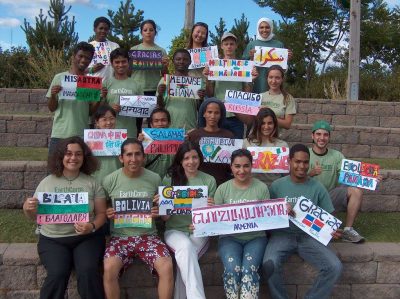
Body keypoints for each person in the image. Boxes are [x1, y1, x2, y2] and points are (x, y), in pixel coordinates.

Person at [23, 136, 107, 299]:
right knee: (57, 273)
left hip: (86, 238)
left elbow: (102, 214)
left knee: (88, 271)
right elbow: (35, 215)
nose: (73, 158)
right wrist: (28, 208)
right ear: (61, 156)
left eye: (78, 154)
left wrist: (92, 226)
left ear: (84, 157)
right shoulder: (47, 182)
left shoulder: (92, 182)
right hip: (53, 239)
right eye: (68, 154)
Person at [263, 144, 342, 299]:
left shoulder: (317, 187)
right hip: (282, 235)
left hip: (309, 237)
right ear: (289, 161)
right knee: (268, 264)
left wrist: (332, 229)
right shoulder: (277, 186)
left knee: (335, 267)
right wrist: (279, 209)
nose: (302, 166)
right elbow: (266, 215)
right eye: (297, 161)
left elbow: (330, 216)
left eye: (305, 162)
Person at [102, 138, 173, 299]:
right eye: (129, 155)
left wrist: (158, 211)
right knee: (109, 268)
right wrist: (107, 211)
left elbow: (164, 205)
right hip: (120, 237)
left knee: (167, 266)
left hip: (148, 236)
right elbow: (101, 205)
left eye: (137, 154)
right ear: (121, 158)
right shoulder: (110, 180)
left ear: (143, 157)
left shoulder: (154, 178)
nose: (133, 159)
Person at [162, 141, 217, 299]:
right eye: (186, 158)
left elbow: (212, 218)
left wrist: (210, 209)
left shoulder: (209, 180)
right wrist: (165, 204)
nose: (191, 162)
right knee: (185, 249)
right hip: (174, 230)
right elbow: (165, 218)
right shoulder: (169, 179)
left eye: (194, 157)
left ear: (200, 159)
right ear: (180, 160)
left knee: (185, 257)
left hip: (200, 231)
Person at [214, 149, 270, 299]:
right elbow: (213, 220)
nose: (241, 170)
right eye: (237, 166)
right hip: (229, 238)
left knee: (249, 269)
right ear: (231, 167)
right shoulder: (222, 189)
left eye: (246, 166)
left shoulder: (262, 188)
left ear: (252, 166)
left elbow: (268, 217)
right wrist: (200, 225)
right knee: (232, 269)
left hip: (256, 237)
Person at [308, 120, 366, 243]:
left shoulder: (337, 156)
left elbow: (349, 176)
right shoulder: (305, 154)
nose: (322, 138)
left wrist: (369, 179)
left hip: (329, 198)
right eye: (318, 134)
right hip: (308, 201)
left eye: (325, 135)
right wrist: (310, 173)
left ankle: (348, 230)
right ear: (312, 136)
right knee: (320, 236)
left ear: (329, 137)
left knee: (356, 191)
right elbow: (294, 179)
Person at [47, 42, 102, 155]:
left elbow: (90, 112)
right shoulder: (59, 77)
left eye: (87, 58)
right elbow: (51, 108)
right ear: (73, 56)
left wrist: (99, 99)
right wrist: (53, 95)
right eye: (80, 56)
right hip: (60, 133)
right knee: (54, 170)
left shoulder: (90, 82)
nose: (83, 60)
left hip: (81, 134)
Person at [203, 32, 255, 139]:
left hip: (236, 116)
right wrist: (207, 79)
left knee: (236, 150)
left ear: (236, 46)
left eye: (231, 44)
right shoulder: (215, 66)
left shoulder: (243, 66)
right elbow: (210, 93)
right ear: (221, 46)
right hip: (218, 115)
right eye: (226, 44)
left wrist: (250, 80)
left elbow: (247, 94)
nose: (229, 46)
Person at [131, 19, 169, 134]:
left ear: (155, 32)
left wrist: (164, 65)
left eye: (151, 30)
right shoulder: (134, 50)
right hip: (137, 89)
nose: (148, 32)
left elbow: (165, 74)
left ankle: (153, 149)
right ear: (141, 32)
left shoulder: (161, 51)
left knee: (153, 122)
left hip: (154, 90)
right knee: (136, 122)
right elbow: (128, 71)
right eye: (145, 30)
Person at [188, 98, 234, 186]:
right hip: (199, 183)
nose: (212, 116)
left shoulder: (229, 136)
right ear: (204, 114)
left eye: (216, 113)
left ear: (221, 115)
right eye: (209, 112)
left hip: (223, 183)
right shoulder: (193, 135)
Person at [157, 48, 205, 130]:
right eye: (178, 59)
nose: (181, 62)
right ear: (173, 61)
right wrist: (160, 95)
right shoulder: (165, 80)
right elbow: (160, 106)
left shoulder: (197, 83)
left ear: (190, 62)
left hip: (190, 128)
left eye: (185, 59)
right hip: (169, 129)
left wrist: (201, 99)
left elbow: (200, 109)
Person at [243, 17, 292, 94]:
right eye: (261, 27)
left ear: (271, 28)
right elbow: (243, 67)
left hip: (274, 87)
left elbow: (283, 70)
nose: (264, 30)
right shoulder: (251, 44)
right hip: (255, 86)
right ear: (258, 28)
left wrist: (287, 59)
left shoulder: (279, 44)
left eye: (267, 27)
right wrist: (251, 59)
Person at [103, 48, 144, 138]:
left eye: (124, 61)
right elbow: (99, 109)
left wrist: (129, 108)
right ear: (112, 64)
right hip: (109, 134)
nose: (120, 65)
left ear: (128, 62)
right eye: (117, 62)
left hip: (130, 133)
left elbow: (143, 109)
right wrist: (110, 109)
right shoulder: (105, 83)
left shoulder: (137, 84)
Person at [244, 108, 289, 186]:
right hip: (252, 187)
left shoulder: (282, 146)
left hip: (274, 187)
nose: (266, 126)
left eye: (270, 123)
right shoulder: (246, 143)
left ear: (274, 124)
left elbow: (286, 174)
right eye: (263, 123)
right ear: (257, 124)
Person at [138, 107, 174, 178]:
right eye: (156, 121)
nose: (160, 124)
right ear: (151, 124)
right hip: (150, 182)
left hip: (170, 183)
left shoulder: (177, 141)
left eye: (163, 120)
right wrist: (139, 145)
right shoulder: (144, 142)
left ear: (169, 123)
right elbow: (139, 165)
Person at [259, 65, 296, 130]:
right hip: (259, 137)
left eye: (277, 78)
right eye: (271, 77)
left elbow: (287, 125)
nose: (273, 81)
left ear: (282, 79)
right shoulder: (259, 96)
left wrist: (269, 115)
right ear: (267, 78)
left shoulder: (288, 98)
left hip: (277, 138)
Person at [91, 104, 121, 184]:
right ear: (97, 122)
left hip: (117, 181)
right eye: (104, 119)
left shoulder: (122, 139)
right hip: (95, 181)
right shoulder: (88, 139)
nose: (108, 122)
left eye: (112, 119)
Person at [88, 16, 120, 81]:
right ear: (94, 29)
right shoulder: (88, 46)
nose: (103, 31)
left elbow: (120, 65)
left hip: (111, 86)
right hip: (92, 87)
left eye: (106, 29)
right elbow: (79, 69)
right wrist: (91, 69)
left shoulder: (115, 46)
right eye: (101, 28)